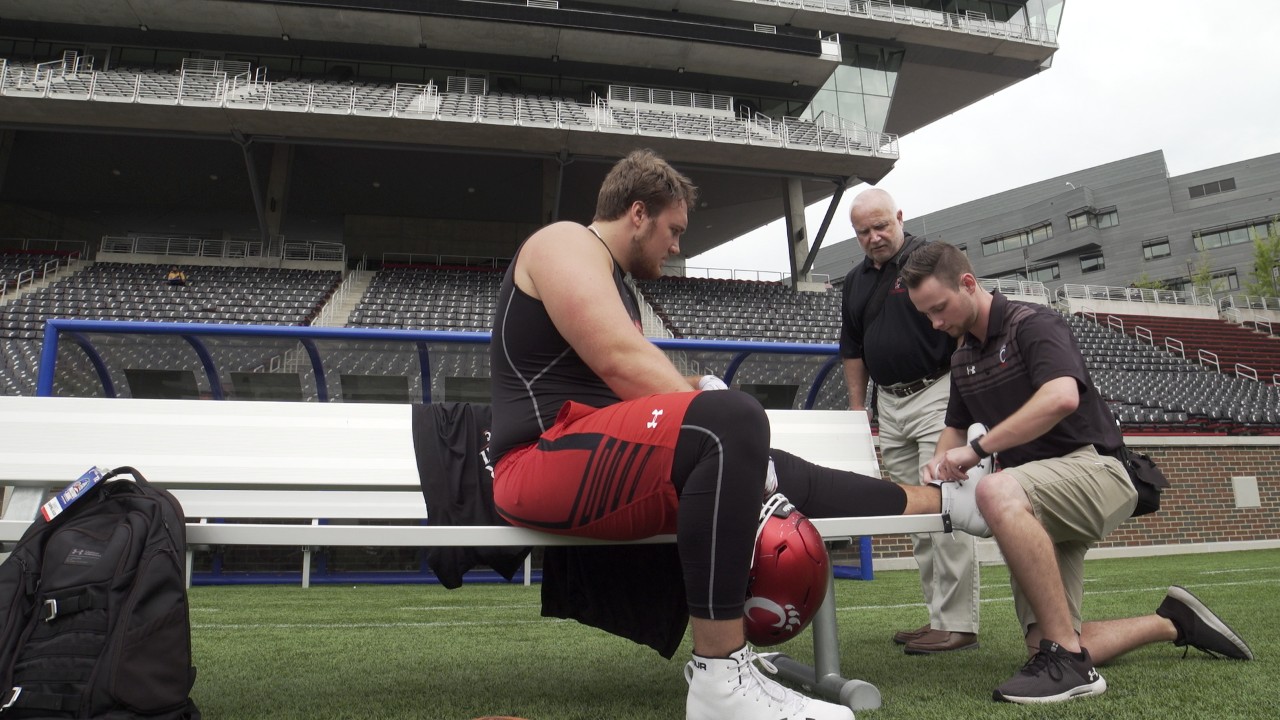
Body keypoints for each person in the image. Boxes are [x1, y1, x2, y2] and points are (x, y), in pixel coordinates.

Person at [489, 149, 947, 720]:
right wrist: (716, 411)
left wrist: (697, 391)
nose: (676, 246)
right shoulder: (564, 242)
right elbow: (616, 358)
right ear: (638, 213)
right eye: (674, 230)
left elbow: (621, 380)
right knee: (733, 422)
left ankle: (946, 501)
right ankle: (719, 680)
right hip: (538, 460)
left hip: (589, 453)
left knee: (763, 455)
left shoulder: (614, 279)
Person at [900, 241, 1254, 705]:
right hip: (1036, 493)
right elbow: (952, 431)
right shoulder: (963, 357)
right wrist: (941, 462)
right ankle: (1173, 623)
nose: (936, 323)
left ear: (968, 283)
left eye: (939, 309)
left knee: (996, 490)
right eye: (926, 315)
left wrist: (979, 450)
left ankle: (1071, 669)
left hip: (1097, 469)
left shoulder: (1033, 323)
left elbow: (1061, 397)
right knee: (1046, 641)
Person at [838, 188, 980, 655]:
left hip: (937, 391)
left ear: (900, 217)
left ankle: (959, 623)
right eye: (864, 231)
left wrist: (962, 398)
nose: (875, 237)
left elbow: (961, 325)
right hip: (890, 405)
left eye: (882, 225)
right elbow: (852, 348)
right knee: (915, 514)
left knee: (948, 508)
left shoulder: (930, 259)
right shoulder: (856, 281)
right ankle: (938, 617)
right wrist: (859, 408)